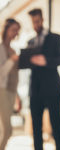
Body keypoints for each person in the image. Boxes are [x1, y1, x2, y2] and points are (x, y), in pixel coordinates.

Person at [27, 8, 60, 150]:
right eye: (33, 22)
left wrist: (46, 61)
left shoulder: (56, 38)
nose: (35, 24)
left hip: (52, 89)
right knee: (36, 127)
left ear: (42, 20)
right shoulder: (30, 41)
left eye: (37, 21)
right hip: (35, 90)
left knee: (56, 124)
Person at [0, 18, 20, 150]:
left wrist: (17, 96)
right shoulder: (1, 49)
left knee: (6, 130)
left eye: (17, 31)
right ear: (6, 30)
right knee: (7, 129)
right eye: (13, 30)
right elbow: (1, 72)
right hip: (2, 90)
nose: (15, 33)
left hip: (11, 92)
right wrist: (12, 60)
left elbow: (15, 77)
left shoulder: (12, 50)